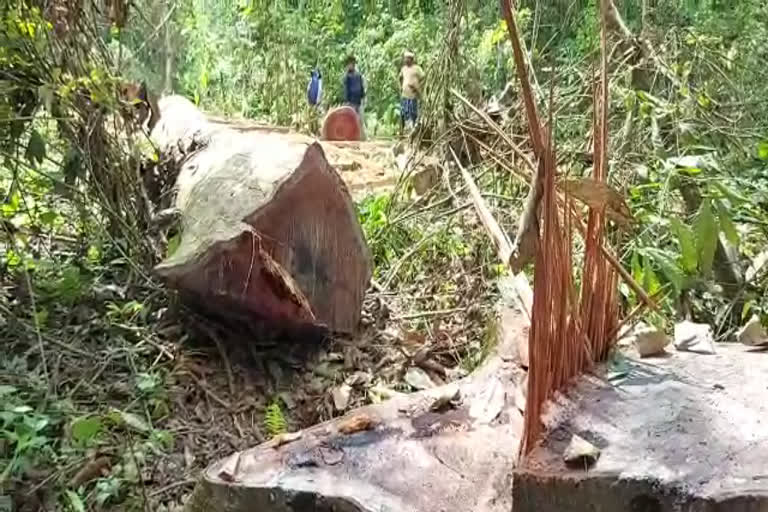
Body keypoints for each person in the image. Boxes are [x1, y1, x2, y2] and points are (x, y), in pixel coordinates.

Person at [399, 50, 425, 134]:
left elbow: (424, 79)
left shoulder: (417, 68)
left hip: (413, 95)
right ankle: (405, 130)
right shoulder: (403, 69)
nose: (406, 60)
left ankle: (414, 130)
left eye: (408, 58)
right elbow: (400, 78)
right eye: (405, 58)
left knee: (413, 113)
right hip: (404, 95)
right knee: (404, 112)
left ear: (411, 59)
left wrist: (417, 87)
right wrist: (400, 87)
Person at [342, 54, 366, 139]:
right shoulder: (346, 76)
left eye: (352, 64)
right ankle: (350, 137)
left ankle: (361, 138)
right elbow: (346, 90)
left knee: (359, 120)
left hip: (358, 101)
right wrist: (346, 101)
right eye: (349, 64)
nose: (350, 65)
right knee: (350, 120)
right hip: (350, 101)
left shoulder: (358, 75)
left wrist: (363, 97)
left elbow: (361, 87)